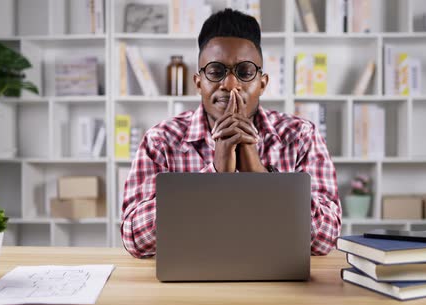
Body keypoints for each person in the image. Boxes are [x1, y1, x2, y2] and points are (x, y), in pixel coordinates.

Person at [121, 8, 341, 258]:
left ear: (262, 83)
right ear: (198, 82)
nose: (230, 85)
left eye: (245, 72)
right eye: (216, 72)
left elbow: (326, 240)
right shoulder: (161, 140)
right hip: (189, 289)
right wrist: (213, 176)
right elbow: (134, 240)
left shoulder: (301, 136)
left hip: (277, 289)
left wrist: (260, 178)